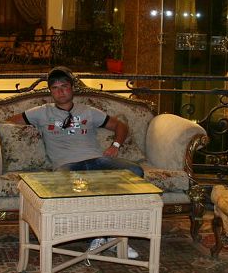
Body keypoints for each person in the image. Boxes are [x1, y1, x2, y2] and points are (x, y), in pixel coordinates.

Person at [7, 66, 144, 258]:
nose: (60, 91)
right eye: (55, 88)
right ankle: (100, 237)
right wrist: (31, 135)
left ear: (72, 88)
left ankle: (114, 235)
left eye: (64, 86)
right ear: (51, 92)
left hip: (98, 161)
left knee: (135, 172)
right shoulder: (41, 112)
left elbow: (120, 125)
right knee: (64, 186)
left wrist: (115, 145)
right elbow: (8, 122)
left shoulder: (88, 111)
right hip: (67, 166)